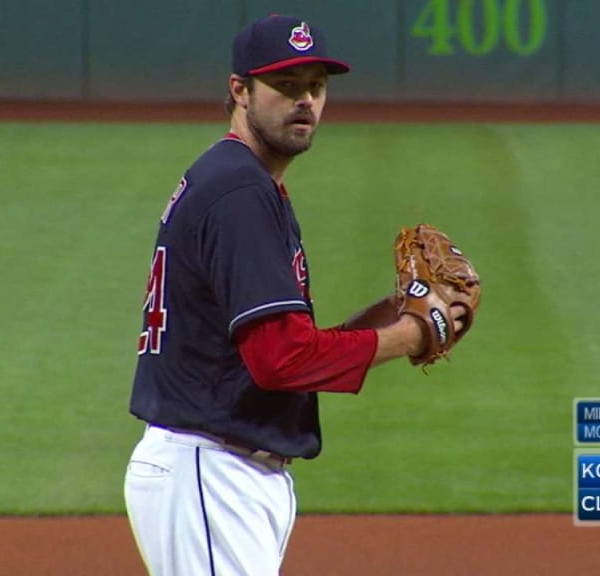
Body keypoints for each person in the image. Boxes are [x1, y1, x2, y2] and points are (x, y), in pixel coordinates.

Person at [124, 14, 468, 576]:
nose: (305, 101)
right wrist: (411, 334)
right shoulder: (239, 192)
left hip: (222, 473)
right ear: (239, 91)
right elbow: (280, 359)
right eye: (286, 86)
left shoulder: (247, 183)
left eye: (316, 86)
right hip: (209, 472)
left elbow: (289, 345)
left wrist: (396, 310)